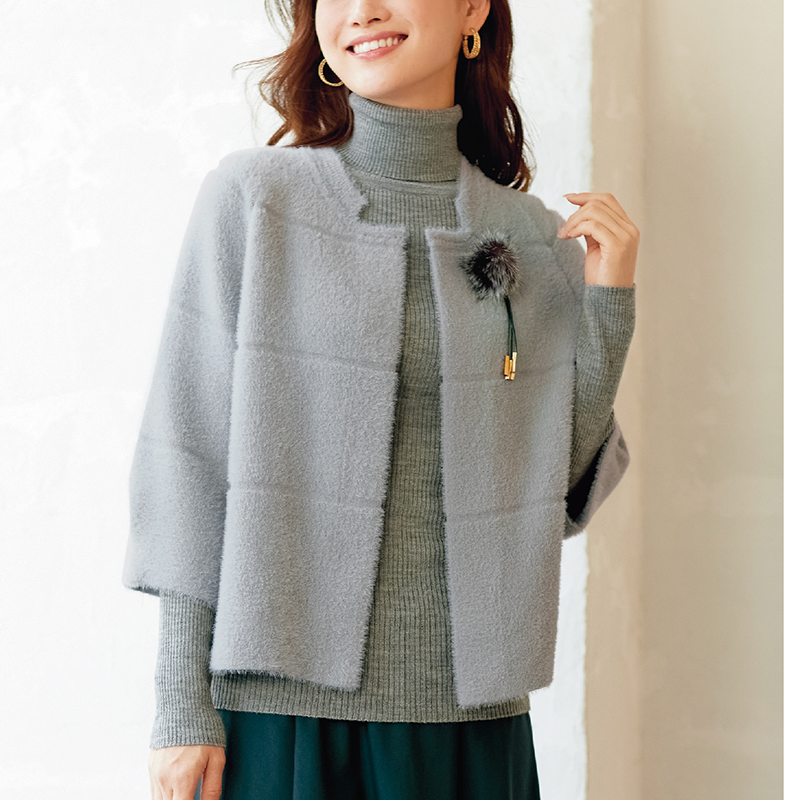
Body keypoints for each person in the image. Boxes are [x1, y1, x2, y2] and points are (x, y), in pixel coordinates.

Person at [123, 0, 639, 795]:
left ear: (472, 9)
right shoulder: (256, 200)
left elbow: (554, 495)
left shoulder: (531, 236)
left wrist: (609, 303)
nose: (361, 11)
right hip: (279, 727)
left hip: (473, 732)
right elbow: (188, 461)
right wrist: (181, 704)